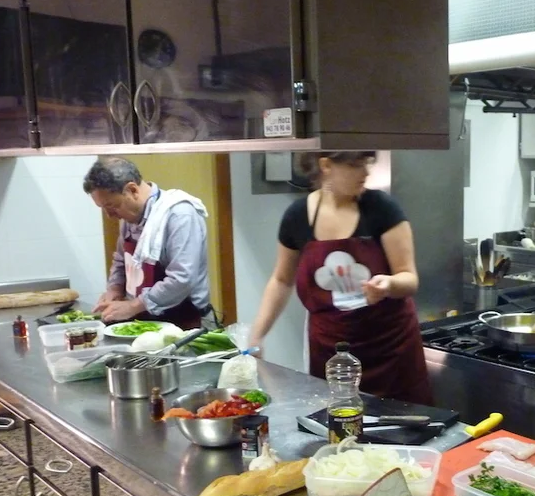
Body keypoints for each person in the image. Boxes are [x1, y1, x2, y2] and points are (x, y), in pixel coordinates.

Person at [248, 151, 432, 404]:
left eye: (367, 163)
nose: (365, 172)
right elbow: (281, 280)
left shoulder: (381, 208)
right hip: (330, 352)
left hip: (391, 350)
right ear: (326, 165)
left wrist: (389, 284)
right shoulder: (297, 216)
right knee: (337, 419)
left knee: (404, 421)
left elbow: (409, 278)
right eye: (356, 165)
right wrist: (258, 335)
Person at [84, 157, 216, 330]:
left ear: (132, 190)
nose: (110, 215)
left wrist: (133, 306)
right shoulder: (131, 218)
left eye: (112, 206)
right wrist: (114, 290)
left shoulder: (179, 215)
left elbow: (181, 279)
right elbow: (121, 260)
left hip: (187, 322)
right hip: (146, 319)